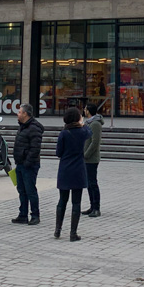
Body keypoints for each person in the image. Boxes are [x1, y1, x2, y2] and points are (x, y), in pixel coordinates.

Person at [54, 106, 90, 242]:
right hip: (78, 169)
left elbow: (58, 152)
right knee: (76, 202)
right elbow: (90, 132)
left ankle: (58, 229)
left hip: (65, 169)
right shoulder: (83, 132)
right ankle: (73, 233)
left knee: (62, 200)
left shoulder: (63, 133)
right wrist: (83, 124)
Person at [11, 102, 44, 226]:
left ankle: (35, 215)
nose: (18, 114)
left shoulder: (34, 128)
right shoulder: (23, 126)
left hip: (29, 165)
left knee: (30, 190)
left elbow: (35, 149)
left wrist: (27, 162)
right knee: (21, 190)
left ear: (25, 114)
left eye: (19, 112)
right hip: (20, 164)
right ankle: (23, 214)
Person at [83, 102, 103, 217]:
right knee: (89, 183)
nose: (84, 111)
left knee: (93, 183)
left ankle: (96, 207)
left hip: (92, 158)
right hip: (86, 158)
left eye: (85, 109)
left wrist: (86, 154)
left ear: (88, 111)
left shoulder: (95, 124)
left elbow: (95, 142)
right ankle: (92, 206)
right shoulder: (88, 122)